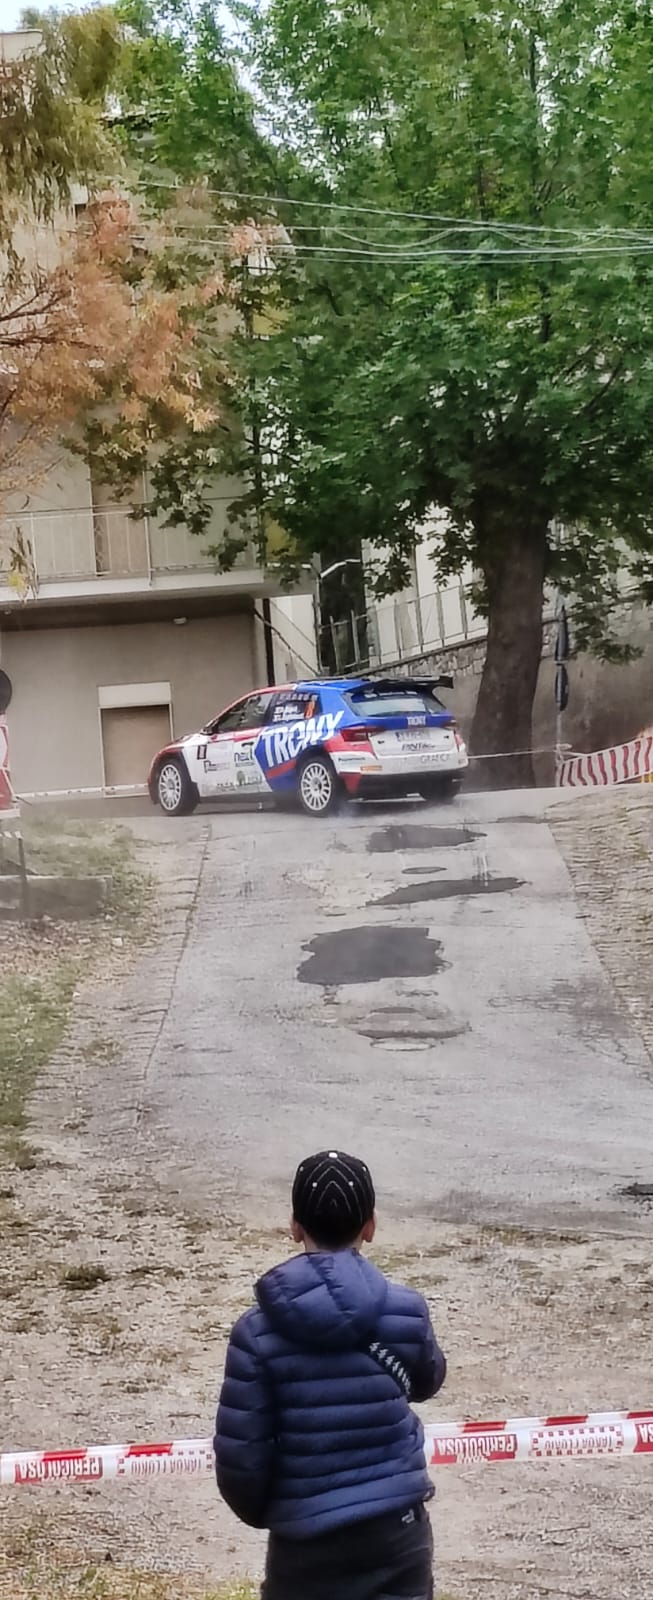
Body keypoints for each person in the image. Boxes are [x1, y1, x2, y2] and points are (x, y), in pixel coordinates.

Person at [214, 1150, 446, 1600]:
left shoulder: (255, 1332)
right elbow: (427, 1380)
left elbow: (241, 1458)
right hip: (396, 1532)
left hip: (304, 1544)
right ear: (370, 1226)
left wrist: (279, 1514)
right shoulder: (406, 1310)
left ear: (295, 1226)